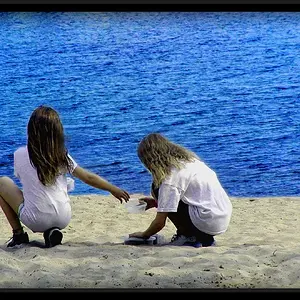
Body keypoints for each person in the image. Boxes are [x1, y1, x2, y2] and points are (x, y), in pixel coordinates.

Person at [0, 105, 130, 248]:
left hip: (36, 220)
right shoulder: (61, 155)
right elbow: (88, 177)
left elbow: (24, 180)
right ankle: (51, 232)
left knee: (3, 183)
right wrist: (112, 189)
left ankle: (18, 235)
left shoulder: (19, 154)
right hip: (63, 217)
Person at [129, 133, 232, 248]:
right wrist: (156, 203)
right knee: (166, 195)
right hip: (220, 216)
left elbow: (159, 223)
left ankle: (189, 237)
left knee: (158, 188)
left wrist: (144, 235)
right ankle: (202, 238)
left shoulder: (170, 178)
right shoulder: (191, 162)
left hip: (205, 222)